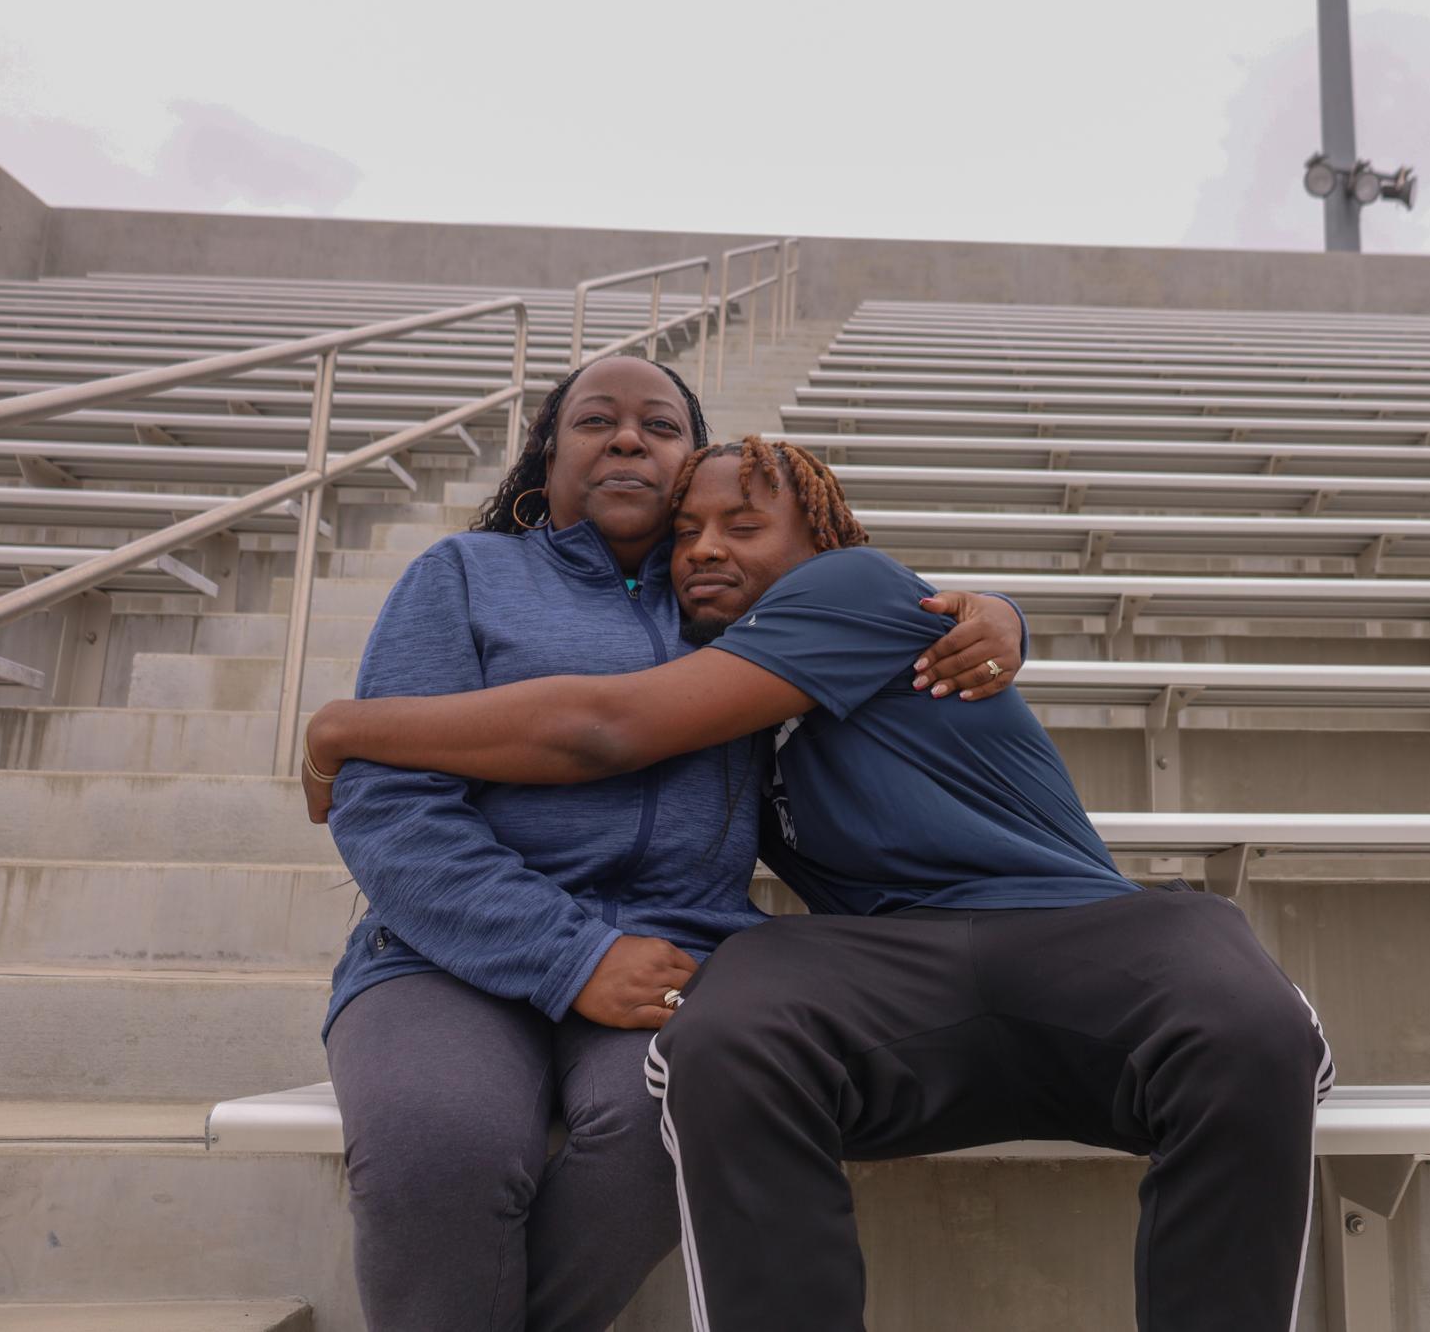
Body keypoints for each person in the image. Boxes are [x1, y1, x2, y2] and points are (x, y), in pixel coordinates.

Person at [304, 436, 1336, 1332]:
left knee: (1245, 1024)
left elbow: (603, 728)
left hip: (1081, 930)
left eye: (745, 525)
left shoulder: (848, 591)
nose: (705, 547)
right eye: (686, 531)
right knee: (723, 1033)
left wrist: (346, 725)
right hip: (882, 963)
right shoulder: (735, 697)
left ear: (818, 544)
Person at [318, 362, 1027, 1332]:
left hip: (679, 944)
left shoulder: (738, 604)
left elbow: (883, 607)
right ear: (548, 452)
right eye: (594, 421)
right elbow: (390, 803)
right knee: (441, 1141)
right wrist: (569, 953)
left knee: (681, 1119)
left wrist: (998, 613)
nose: (625, 439)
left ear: (689, 463)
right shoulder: (463, 574)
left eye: (658, 424)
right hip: (447, 951)